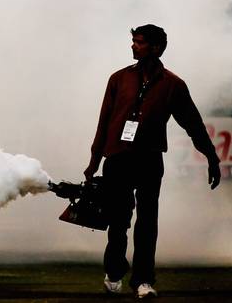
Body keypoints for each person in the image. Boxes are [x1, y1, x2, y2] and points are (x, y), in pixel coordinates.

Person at [84, 25, 220, 298]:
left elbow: (193, 124)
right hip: (117, 158)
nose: (133, 46)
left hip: (149, 159)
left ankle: (143, 280)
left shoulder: (173, 85)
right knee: (118, 220)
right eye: (133, 41)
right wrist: (94, 160)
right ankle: (114, 271)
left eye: (139, 42)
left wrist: (211, 157)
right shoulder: (118, 79)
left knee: (147, 222)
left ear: (156, 48)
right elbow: (104, 123)